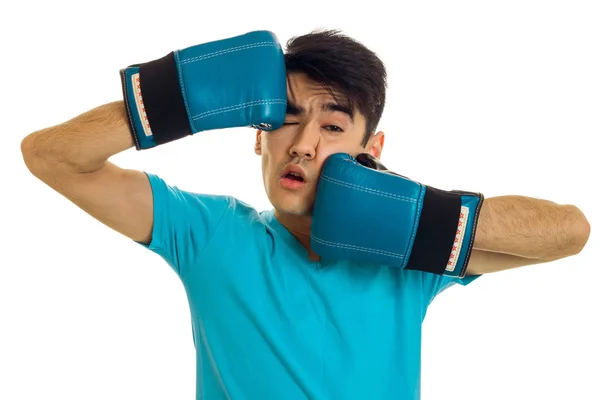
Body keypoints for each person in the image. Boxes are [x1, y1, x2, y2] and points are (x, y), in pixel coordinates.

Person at [21, 29, 590, 400]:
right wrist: (178, 100)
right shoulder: (209, 234)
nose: (303, 145)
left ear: (373, 149)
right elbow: (51, 157)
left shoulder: (405, 259)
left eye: (333, 127)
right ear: (257, 137)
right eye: (286, 120)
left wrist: (409, 213)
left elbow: (569, 232)